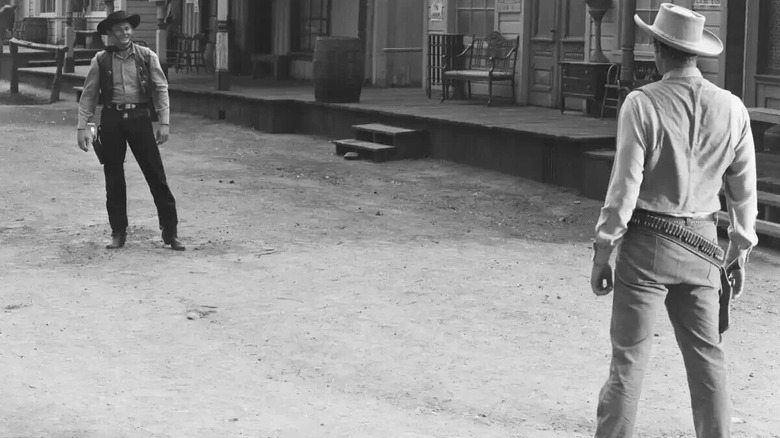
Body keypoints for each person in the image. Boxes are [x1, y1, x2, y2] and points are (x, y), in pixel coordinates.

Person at [589, 4, 757, 438]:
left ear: (657, 47)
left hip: (647, 242)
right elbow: (743, 196)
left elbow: (622, 190)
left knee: (628, 362)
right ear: (696, 53)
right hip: (703, 246)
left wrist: (603, 251)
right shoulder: (733, 108)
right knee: (708, 361)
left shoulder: (641, 104)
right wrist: (738, 252)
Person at [76, 10, 184, 251]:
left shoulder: (146, 56)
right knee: (113, 177)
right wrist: (83, 127)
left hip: (139, 117)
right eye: (119, 29)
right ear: (111, 33)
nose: (124, 33)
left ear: (131, 31)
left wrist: (164, 122)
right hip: (112, 118)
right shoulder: (101, 60)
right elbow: (89, 95)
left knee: (155, 174)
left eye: (127, 29)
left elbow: (160, 88)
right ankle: (118, 232)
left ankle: (170, 231)